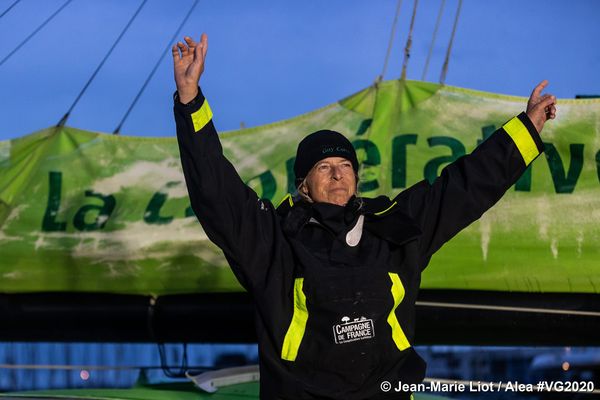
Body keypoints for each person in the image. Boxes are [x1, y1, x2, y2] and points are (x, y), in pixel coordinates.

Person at [172, 34, 557, 400]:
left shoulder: (394, 226)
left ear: (356, 177)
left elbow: (465, 187)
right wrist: (190, 100)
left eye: (345, 165)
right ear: (303, 184)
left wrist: (526, 130)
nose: (338, 174)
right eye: (324, 167)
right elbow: (215, 191)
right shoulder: (273, 240)